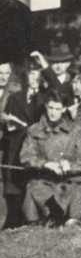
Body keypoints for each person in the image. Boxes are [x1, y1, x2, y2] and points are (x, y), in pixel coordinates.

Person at [19, 91, 81, 227]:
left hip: (70, 180)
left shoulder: (75, 130)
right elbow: (25, 157)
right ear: (46, 107)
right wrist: (45, 164)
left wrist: (70, 165)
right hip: (45, 180)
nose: (53, 113)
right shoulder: (34, 130)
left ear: (64, 109)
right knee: (35, 188)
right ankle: (52, 215)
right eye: (51, 108)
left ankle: (72, 219)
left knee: (75, 194)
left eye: (58, 109)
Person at [0, 60, 30, 228]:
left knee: (9, 178)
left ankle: (11, 216)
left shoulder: (15, 91)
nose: (3, 77)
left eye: (6, 73)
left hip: (10, 140)